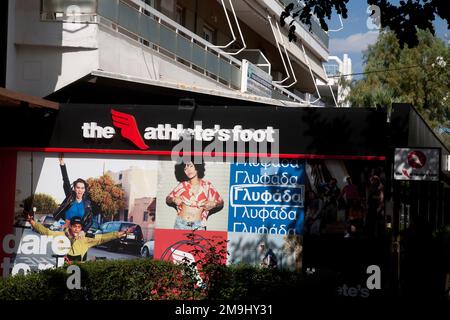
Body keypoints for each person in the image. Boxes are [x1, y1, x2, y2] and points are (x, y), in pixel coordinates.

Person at [27, 214, 135, 263]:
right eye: (75, 226)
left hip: (79, 273)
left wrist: (123, 233)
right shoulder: (61, 235)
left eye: (79, 227)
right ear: (70, 226)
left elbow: (103, 237)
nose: (77, 229)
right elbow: (46, 231)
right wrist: (32, 222)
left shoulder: (86, 238)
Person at [166, 161, 224, 230]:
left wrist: (214, 204)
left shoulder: (207, 185)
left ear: (197, 166)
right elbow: (168, 199)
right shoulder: (182, 185)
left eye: (191, 166)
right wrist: (173, 199)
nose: (188, 170)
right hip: (180, 224)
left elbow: (221, 203)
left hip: (198, 225)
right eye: (185, 169)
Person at [53, 154, 93, 234]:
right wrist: (62, 164)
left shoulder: (87, 203)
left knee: (93, 239)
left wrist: (83, 231)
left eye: (82, 188)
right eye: (78, 188)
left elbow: (90, 221)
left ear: (85, 190)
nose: (80, 190)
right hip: (66, 231)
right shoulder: (70, 197)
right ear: (74, 189)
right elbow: (66, 181)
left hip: (78, 234)